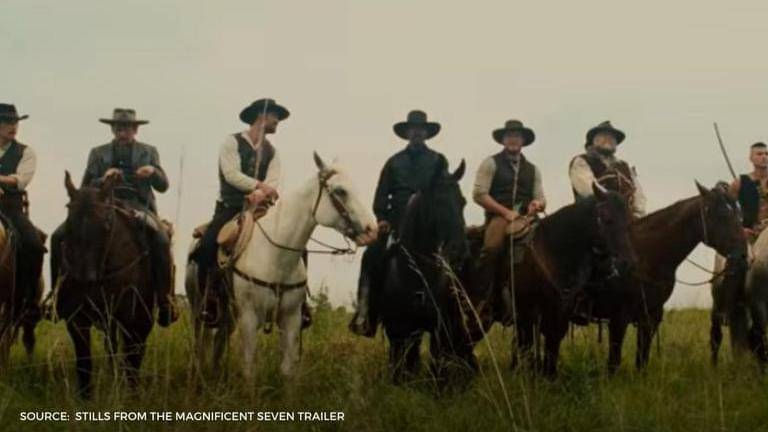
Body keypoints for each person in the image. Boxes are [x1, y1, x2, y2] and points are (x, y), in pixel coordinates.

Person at [50, 108, 177, 326]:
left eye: (127, 128)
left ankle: (165, 300)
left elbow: (163, 185)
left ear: (135, 129)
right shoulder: (97, 153)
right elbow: (85, 187)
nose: (123, 132)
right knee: (58, 236)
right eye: (119, 128)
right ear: (112, 129)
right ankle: (56, 296)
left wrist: (153, 172)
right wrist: (103, 179)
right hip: (103, 205)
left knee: (161, 238)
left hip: (139, 205)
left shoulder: (149, 152)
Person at [349, 110, 449, 337]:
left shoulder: (438, 161)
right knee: (372, 256)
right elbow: (381, 195)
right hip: (398, 224)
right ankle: (366, 314)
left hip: (430, 226)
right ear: (407, 133)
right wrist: (382, 218)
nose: (417, 133)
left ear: (427, 133)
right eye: (413, 129)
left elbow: (446, 192)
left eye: (421, 129)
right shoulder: (394, 162)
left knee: (457, 257)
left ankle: (457, 320)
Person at [193, 98, 285, 324]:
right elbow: (231, 174)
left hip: (261, 209)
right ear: (261, 115)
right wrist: (258, 186)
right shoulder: (231, 142)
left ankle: (297, 302)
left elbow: (273, 180)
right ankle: (210, 298)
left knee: (294, 243)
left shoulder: (272, 152)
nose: (278, 120)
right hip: (230, 207)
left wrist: (261, 193)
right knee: (207, 246)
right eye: (275, 115)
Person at [472, 119, 545, 320]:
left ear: (523, 141)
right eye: (509, 136)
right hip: (499, 217)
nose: (513, 139)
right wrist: (505, 212)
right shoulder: (490, 163)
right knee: (492, 249)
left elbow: (541, 197)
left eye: (517, 136)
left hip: (527, 218)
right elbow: (479, 194)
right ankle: (484, 300)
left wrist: (537, 204)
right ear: (503, 140)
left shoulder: (533, 169)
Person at [0, 103, 45, 320]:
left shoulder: (26, 152)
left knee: (34, 245)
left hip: (10, 208)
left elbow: (20, 180)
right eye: (7, 122)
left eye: (15, 122)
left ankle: (30, 302)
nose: (13, 126)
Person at [569, 120, 646, 218]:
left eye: (612, 138)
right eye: (603, 136)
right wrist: (615, 205)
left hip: (626, 218)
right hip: (595, 217)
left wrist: (638, 215)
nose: (608, 139)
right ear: (593, 140)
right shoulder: (581, 161)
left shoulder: (625, 166)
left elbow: (638, 195)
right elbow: (588, 190)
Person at [731, 142, 768, 241]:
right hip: (751, 235)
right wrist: (739, 229)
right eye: (759, 154)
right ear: (751, 158)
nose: (764, 157)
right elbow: (728, 209)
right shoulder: (740, 182)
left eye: (766, 154)